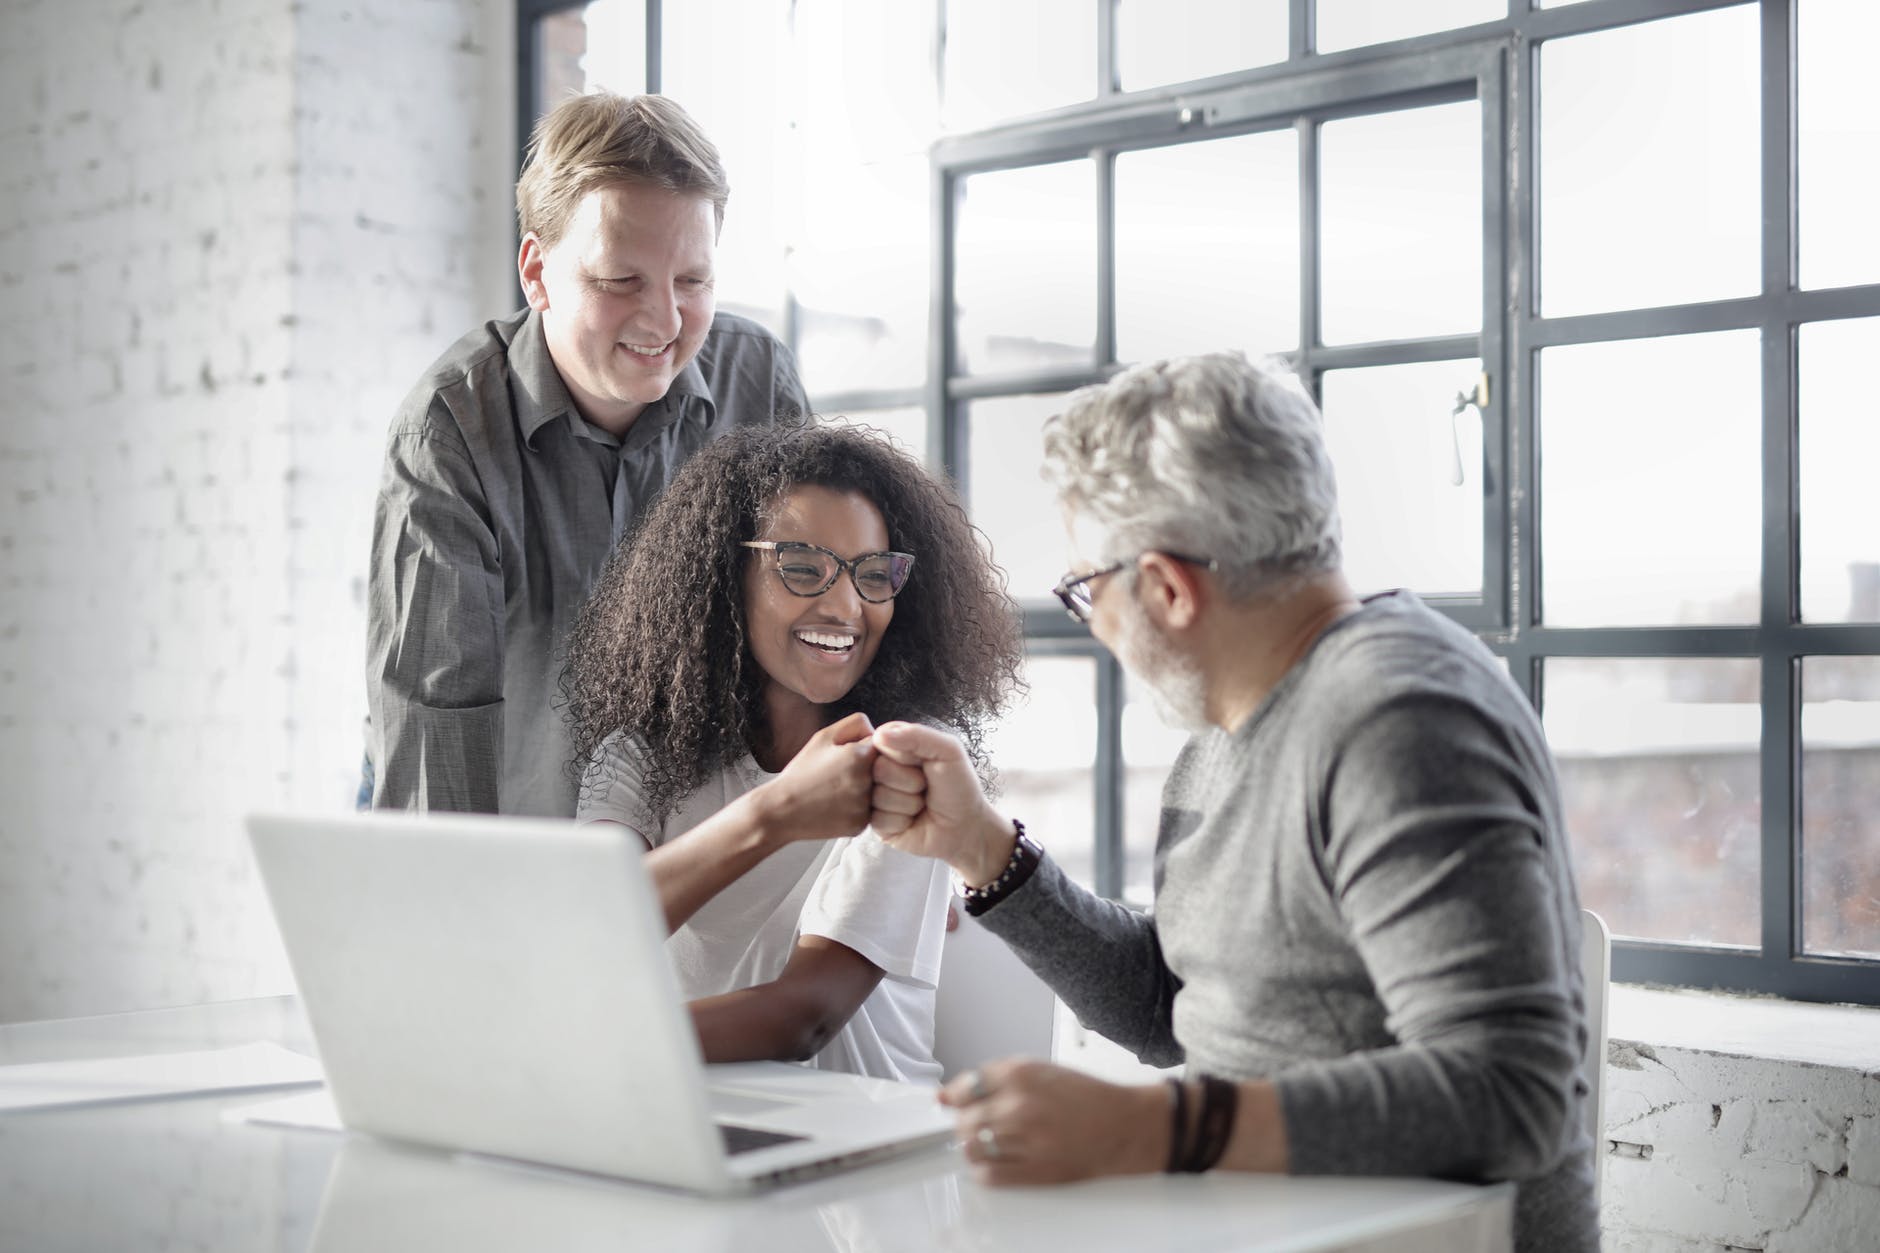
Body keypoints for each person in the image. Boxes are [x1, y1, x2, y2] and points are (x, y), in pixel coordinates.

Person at [866, 353, 1599, 1250]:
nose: (1092, 622)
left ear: (1169, 588)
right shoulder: (1224, 729)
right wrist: (986, 850)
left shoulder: (1399, 721)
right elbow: (1174, 1006)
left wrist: (1151, 1129)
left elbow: (1511, 1095)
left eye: (1087, 589)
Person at [365, 91, 806, 817]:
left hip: (707, 858)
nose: (664, 319)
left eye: (693, 281)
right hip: (518, 844)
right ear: (536, 273)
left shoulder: (758, 387)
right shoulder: (448, 434)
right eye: (619, 280)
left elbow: (825, 627)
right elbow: (434, 734)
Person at [562, 420, 1023, 1083]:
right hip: (685, 1116)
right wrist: (776, 812)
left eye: (874, 574)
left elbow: (804, 1016)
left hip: (866, 1142)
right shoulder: (637, 756)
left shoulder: (910, 763)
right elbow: (591, 932)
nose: (846, 606)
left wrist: (586, 1038)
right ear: (723, 575)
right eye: (802, 567)